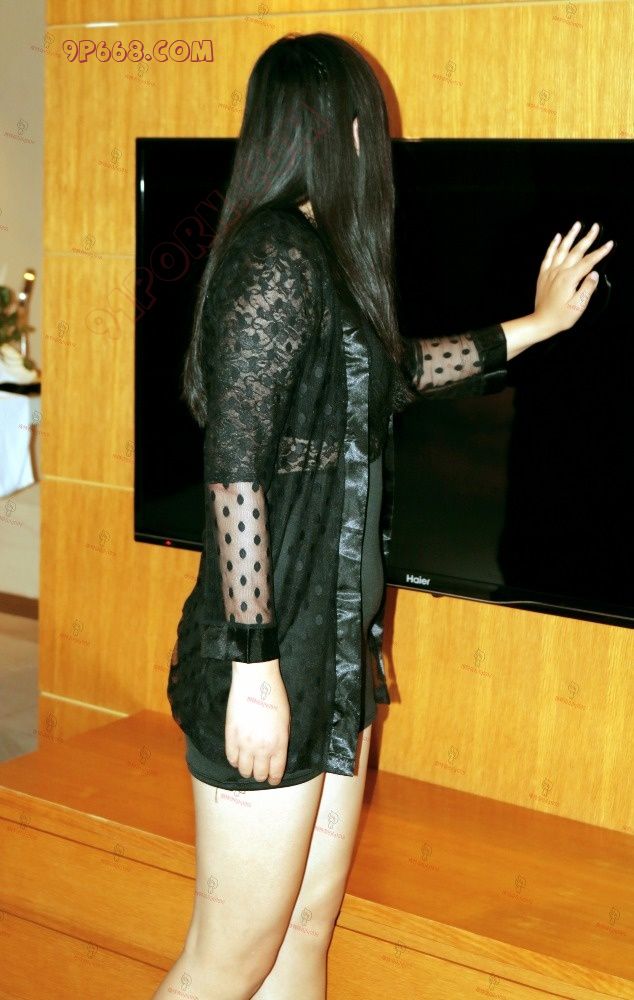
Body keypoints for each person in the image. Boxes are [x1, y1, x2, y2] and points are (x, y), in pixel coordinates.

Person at [153, 32, 613, 1000]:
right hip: (272, 654)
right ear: (344, 130)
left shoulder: (318, 257)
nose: (384, 146)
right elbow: (234, 472)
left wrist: (535, 326)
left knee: (303, 930)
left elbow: (390, 374)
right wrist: (254, 671)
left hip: (332, 647)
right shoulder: (274, 256)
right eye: (374, 125)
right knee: (226, 959)